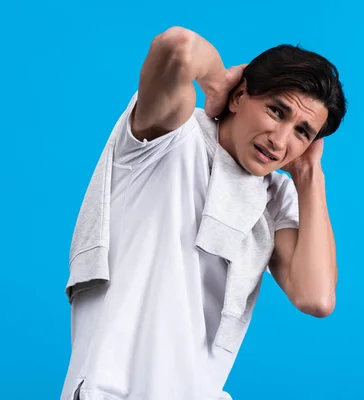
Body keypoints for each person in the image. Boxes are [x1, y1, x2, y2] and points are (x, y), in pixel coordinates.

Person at [60, 26, 347, 400]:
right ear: (240, 96)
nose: (280, 141)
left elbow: (316, 298)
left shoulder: (275, 198)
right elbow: (177, 45)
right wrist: (216, 84)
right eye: (277, 111)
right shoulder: (171, 137)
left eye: (302, 132)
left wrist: (310, 176)